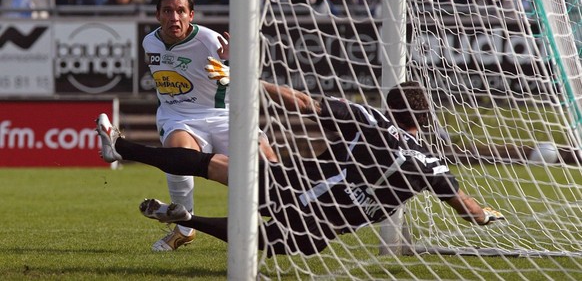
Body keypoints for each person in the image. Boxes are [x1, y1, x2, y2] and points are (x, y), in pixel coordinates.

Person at [96, 78, 506, 256]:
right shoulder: (427, 162)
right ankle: (193, 220)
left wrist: (254, 84)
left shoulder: (370, 119)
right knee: (268, 241)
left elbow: (305, 103)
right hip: (321, 224)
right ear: (424, 121)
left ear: (390, 107)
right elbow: (465, 207)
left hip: (294, 181)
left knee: (214, 165)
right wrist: (486, 215)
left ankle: (124, 147)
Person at [102, 0, 275, 252]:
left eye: (181, 11)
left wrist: (232, 65)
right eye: (168, 11)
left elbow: (247, 80)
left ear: (191, 15)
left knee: (266, 167)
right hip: (179, 117)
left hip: (223, 115)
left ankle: (273, 218)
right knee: (177, 151)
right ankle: (184, 228)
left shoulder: (210, 40)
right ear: (158, 15)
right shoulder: (150, 42)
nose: (175, 17)